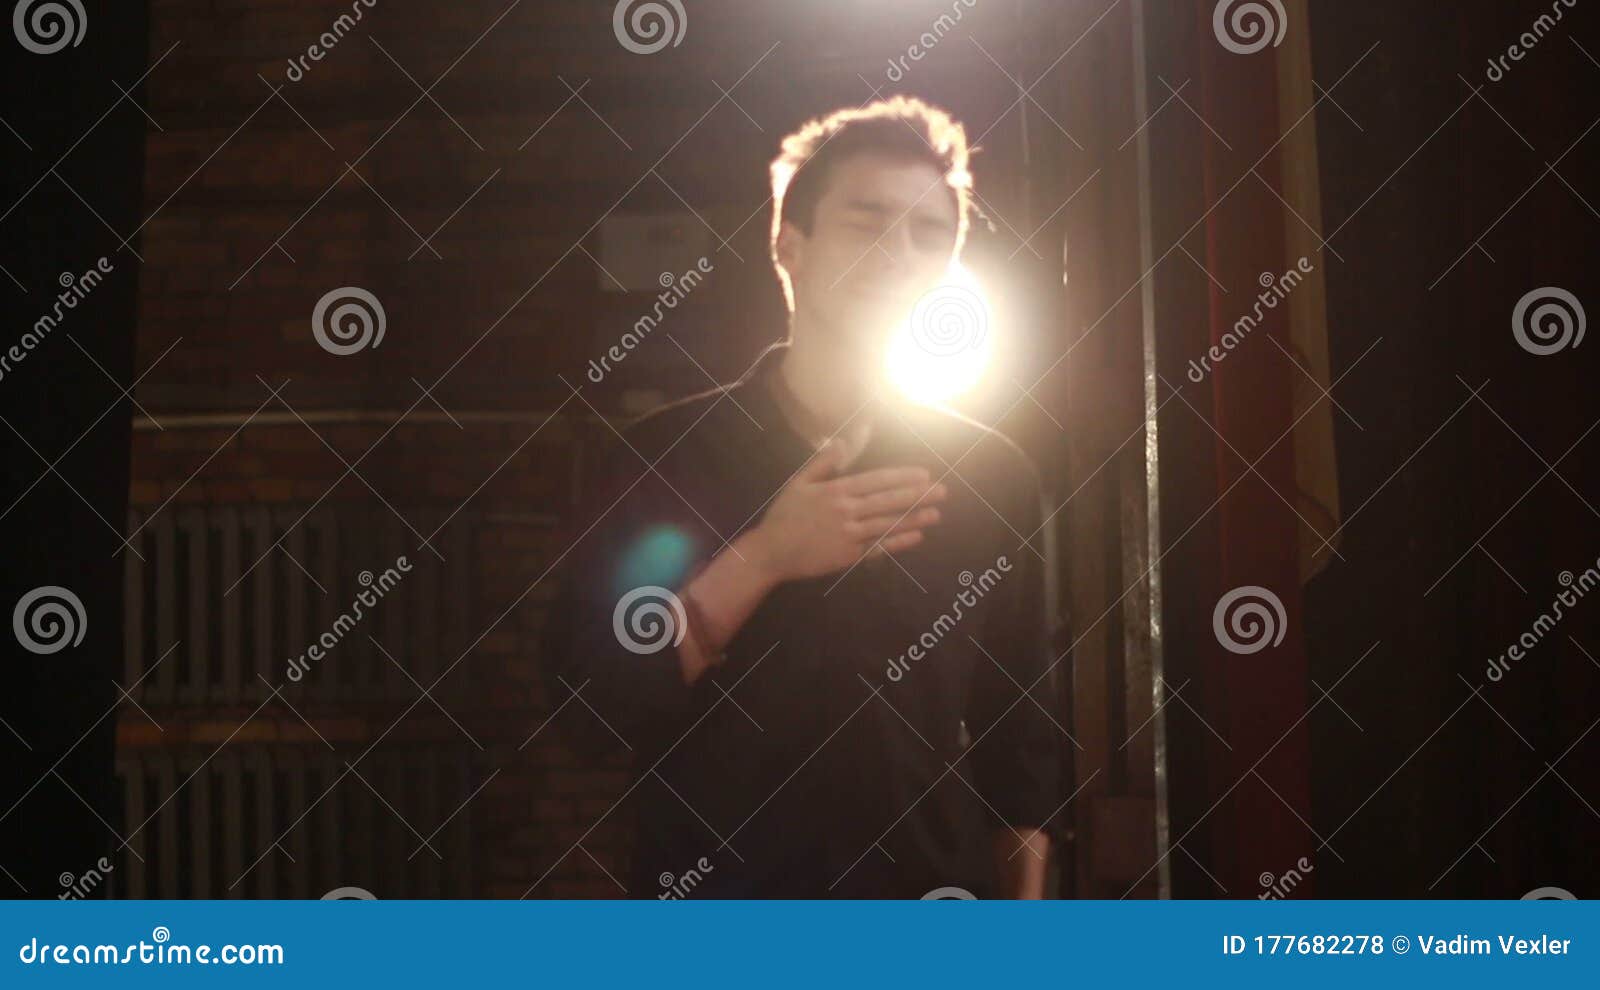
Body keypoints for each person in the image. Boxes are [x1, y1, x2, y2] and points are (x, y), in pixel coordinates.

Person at [539, 95, 1063, 898]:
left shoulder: (993, 474)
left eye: (930, 234)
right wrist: (764, 557)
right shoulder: (666, 456)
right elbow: (589, 706)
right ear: (789, 242)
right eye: (867, 221)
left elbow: (1020, 749)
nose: (899, 253)